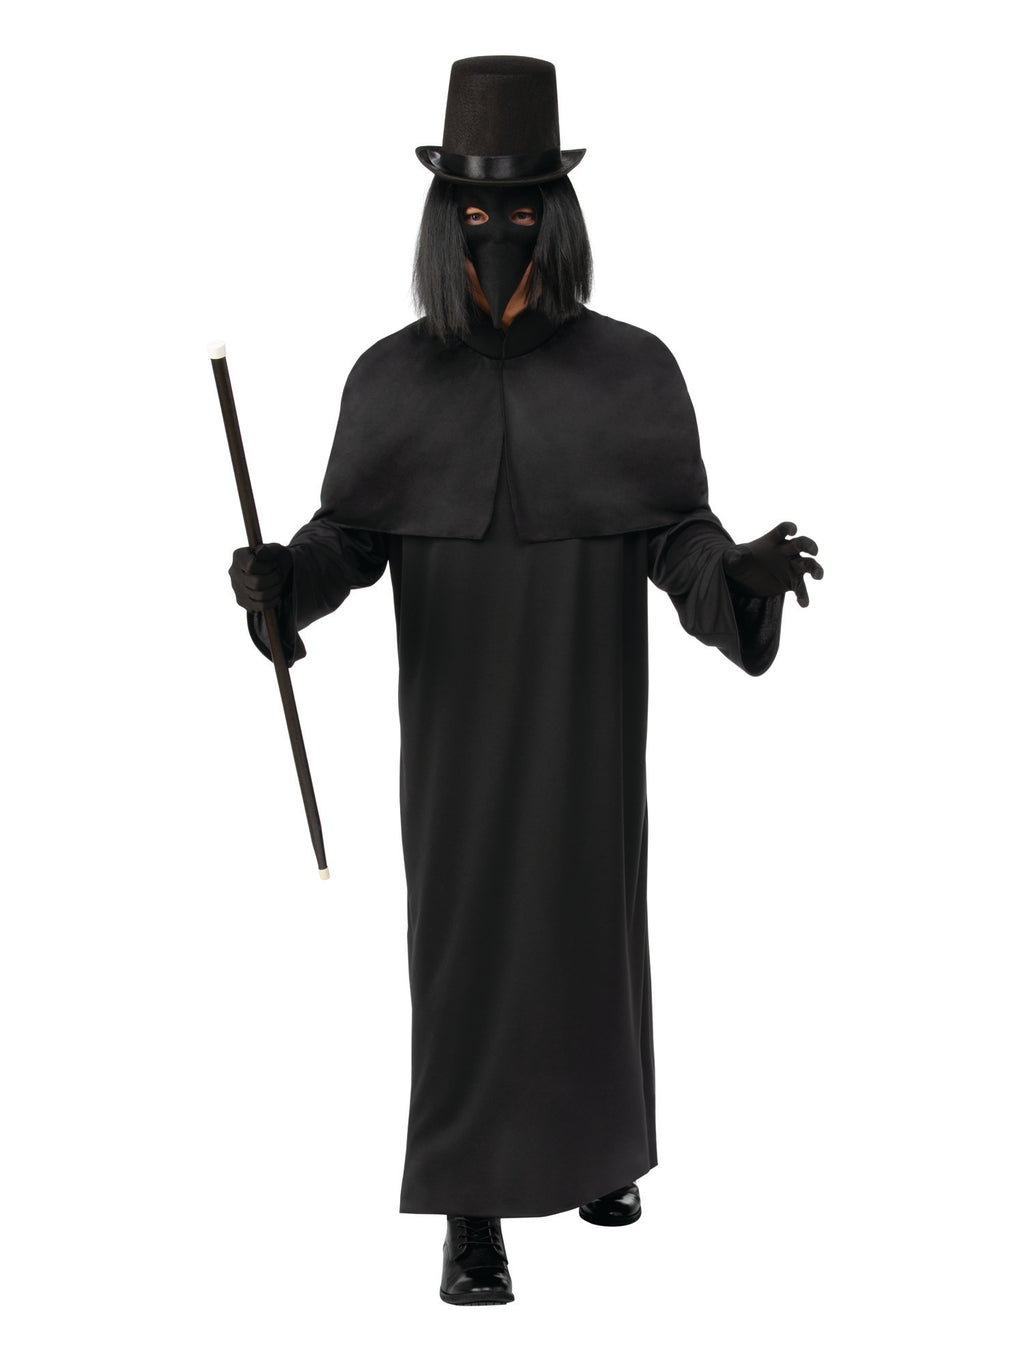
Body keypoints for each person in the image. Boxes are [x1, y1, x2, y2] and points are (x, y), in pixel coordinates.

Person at [228, 55, 823, 1307]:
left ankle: (600, 1156)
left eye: (518, 208)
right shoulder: (392, 379)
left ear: (558, 216)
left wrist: (744, 575)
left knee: (588, 927)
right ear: (440, 219)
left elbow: (676, 537)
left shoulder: (630, 372)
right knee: (466, 947)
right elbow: (351, 540)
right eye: (472, 210)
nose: (494, 232)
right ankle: (471, 1211)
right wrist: (283, 579)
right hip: (456, 728)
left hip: (585, 711)